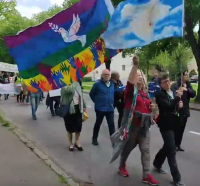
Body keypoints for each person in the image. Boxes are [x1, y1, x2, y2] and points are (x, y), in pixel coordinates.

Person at [118, 56, 159, 185]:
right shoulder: (130, 92)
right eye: (138, 76)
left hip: (144, 128)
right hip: (132, 128)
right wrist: (135, 66)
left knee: (145, 151)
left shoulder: (145, 94)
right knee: (127, 149)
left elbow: (150, 111)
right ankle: (122, 165)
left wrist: (152, 108)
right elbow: (130, 82)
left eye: (141, 76)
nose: (140, 77)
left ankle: (146, 175)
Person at [153, 73, 185, 186]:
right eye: (164, 82)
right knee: (171, 150)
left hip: (175, 123)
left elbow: (175, 107)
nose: (167, 83)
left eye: (168, 81)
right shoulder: (159, 94)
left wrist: (179, 105)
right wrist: (177, 99)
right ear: (160, 84)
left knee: (167, 146)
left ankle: (157, 163)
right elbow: (168, 107)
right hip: (165, 125)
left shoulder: (172, 91)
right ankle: (177, 178)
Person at [171, 71, 196, 151]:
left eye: (187, 75)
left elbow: (193, 94)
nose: (187, 76)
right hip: (178, 111)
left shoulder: (188, 84)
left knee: (182, 128)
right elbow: (172, 93)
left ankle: (178, 144)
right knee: (177, 128)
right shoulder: (176, 84)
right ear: (181, 76)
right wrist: (179, 91)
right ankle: (173, 144)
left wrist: (187, 89)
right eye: (185, 75)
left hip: (185, 111)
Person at [90, 69, 115, 146]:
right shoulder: (97, 84)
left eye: (108, 74)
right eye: (105, 75)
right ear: (102, 76)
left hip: (110, 108)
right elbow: (91, 94)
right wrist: (97, 102)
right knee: (98, 123)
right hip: (100, 108)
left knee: (111, 125)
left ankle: (113, 141)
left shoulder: (112, 84)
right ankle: (94, 139)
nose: (107, 76)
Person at [61, 81, 86, 151]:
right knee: (70, 128)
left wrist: (84, 105)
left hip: (78, 108)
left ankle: (77, 142)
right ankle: (70, 143)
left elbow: (81, 95)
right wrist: (75, 84)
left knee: (78, 126)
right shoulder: (63, 84)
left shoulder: (77, 84)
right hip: (68, 108)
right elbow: (68, 90)